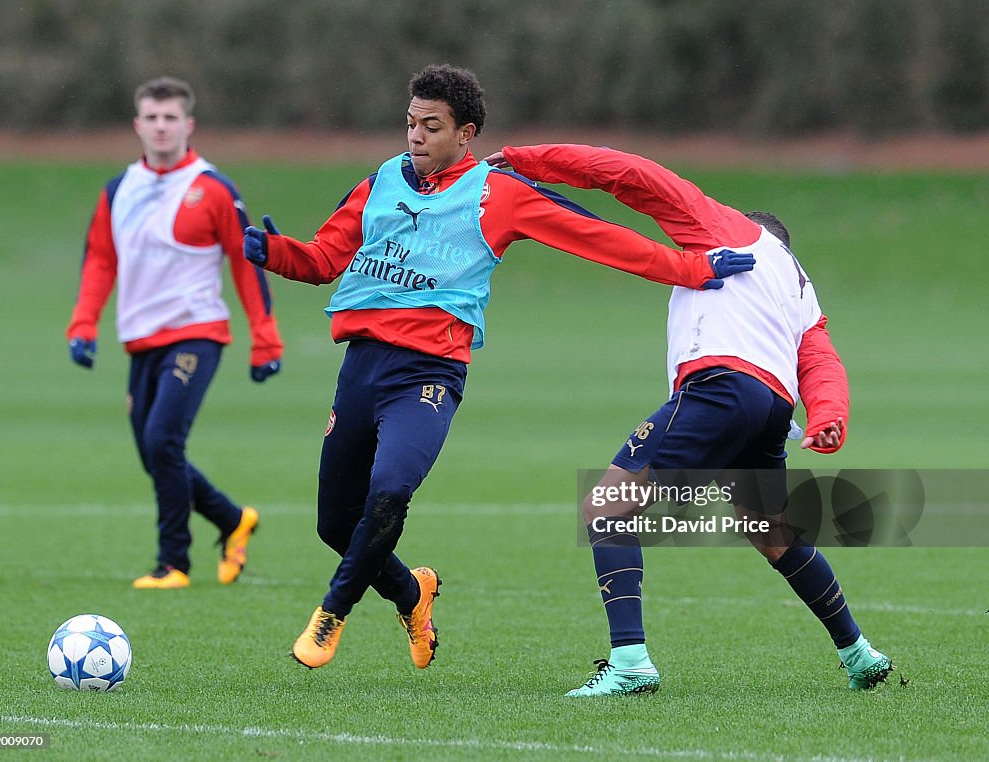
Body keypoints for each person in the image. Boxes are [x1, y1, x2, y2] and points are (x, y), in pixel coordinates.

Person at [243, 64, 753, 670]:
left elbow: (601, 238)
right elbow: (325, 258)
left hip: (427, 376)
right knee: (335, 525)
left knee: (390, 491)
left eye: (431, 127)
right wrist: (274, 253)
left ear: (466, 134)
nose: (415, 137)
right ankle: (413, 595)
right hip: (360, 371)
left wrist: (693, 268)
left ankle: (331, 614)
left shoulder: (499, 194)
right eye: (409, 124)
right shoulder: (380, 182)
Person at [486, 143, 893, 696]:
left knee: (608, 507)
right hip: (772, 411)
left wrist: (528, 160)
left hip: (720, 390)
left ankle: (630, 664)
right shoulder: (799, 286)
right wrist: (828, 416)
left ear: (749, 228)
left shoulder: (723, 227)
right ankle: (858, 652)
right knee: (774, 535)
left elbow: (632, 175)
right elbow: (819, 357)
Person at [66, 76, 284, 589]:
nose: (161, 127)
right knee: (154, 453)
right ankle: (233, 520)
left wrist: (265, 338)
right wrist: (83, 324)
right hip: (141, 340)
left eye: (171, 118)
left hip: (196, 334)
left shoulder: (212, 189)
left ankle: (173, 563)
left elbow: (245, 263)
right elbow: (100, 259)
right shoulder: (119, 190)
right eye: (152, 117)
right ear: (138, 125)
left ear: (188, 125)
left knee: (163, 438)